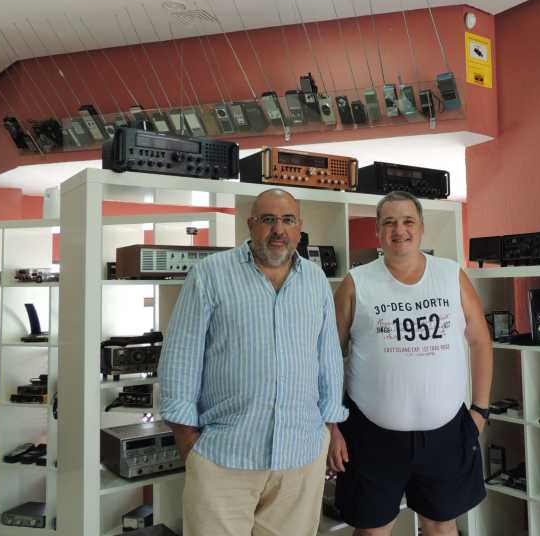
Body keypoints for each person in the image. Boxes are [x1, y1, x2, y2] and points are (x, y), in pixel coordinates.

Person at [158, 188, 347, 536]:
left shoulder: (316, 280)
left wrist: (330, 426)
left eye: (288, 220)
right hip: (225, 456)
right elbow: (180, 358)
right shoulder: (210, 274)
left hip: (301, 457)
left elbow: (328, 358)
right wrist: (187, 441)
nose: (279, 230)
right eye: (268, 220)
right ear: (251, 224)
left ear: (300, 227)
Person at [329, 191, 493, 536]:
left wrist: (480, 410)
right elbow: (328, 357)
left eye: (408, 221)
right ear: (377, 231)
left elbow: (480, 341)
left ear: (421, 227)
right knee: (372, 530)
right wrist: (332, 427)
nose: (399, 230)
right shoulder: (356, 282)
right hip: (371, 437)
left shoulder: (451, 275)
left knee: (442, 525)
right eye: (389, 222)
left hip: (446, 434)